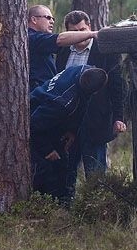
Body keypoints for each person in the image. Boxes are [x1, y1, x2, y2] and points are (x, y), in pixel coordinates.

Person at [56, 11, 127, 190]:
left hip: (96, 121)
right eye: (75, 31)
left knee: (95, 171)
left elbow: (117, 86)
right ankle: (64, 209)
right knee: (65, 170)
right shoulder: (63, 51)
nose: (80, 35)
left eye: (83, 29)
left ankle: (97, 208)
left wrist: (119, 117)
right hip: (67, 122)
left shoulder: (105, 51)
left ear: (89, 28)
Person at [29, 65, 107, 203]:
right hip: (39, 122)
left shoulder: (82, 69)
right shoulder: (63, 103)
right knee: (48, 170)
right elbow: (34, 125)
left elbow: (82, 105)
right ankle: (46, 206)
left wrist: (72, 130)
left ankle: (63, 201)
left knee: (64, 163)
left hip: (52, 119)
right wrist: (48, 150)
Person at [27, 4, 98, 91]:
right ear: (34, 19)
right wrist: (93, 34)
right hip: (37, 96)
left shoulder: (40, 40)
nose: (52, 21)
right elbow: (60, 39)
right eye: (48, 17)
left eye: (53, 19)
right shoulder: (32, 38)